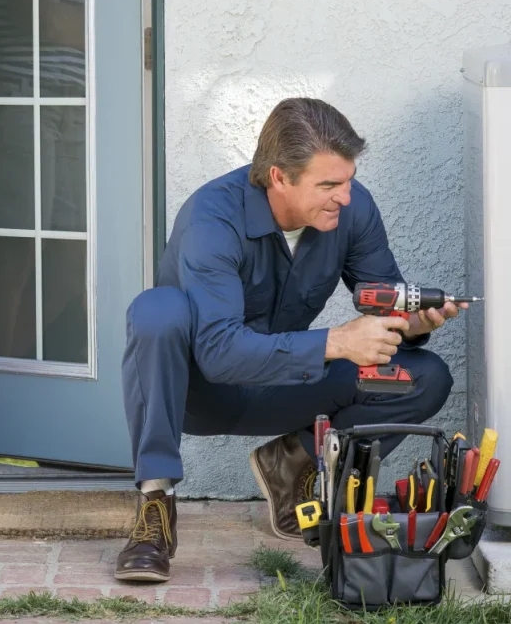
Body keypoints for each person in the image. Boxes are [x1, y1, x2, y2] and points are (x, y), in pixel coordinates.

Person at [114, 98, 465, 582]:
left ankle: (293, 464)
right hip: (201, 393)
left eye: (347, 180)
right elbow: (218, 354)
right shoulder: (211, 219)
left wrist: (416, 323)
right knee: (157, 311)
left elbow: (384, 306)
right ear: (279, 176)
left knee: (423, 378)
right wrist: (338, 342)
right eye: (328, 185)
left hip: (289, 382)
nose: (344, 196)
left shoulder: (351, 206)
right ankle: (155, 507)